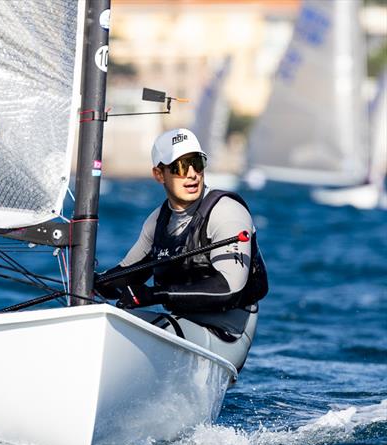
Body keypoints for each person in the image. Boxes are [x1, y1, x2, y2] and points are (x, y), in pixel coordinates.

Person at [95, 128, 268, 371]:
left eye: (197, 164)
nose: (191, 174)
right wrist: (94, 283)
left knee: (134, 333)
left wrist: (154, 295)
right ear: (159, 174)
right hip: (183, 324)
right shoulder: (158, 221)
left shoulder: (226, 212)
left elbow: (230, 288)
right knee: (105, 326)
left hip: (227, 334)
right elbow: (128, 273)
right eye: (179, 166)